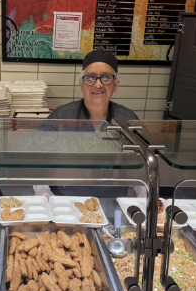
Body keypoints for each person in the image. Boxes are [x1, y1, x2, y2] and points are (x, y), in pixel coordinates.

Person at [34, 50, 138, 199]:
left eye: (106, 78)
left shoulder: (128, 120)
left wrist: (143, 192)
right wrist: (42, 189)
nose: (97, 85)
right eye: (90, 78)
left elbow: (142, 166)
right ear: (81, 84)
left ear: (116, 85)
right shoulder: (60, 118)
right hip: (64, 201)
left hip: (113, 202)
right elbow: (38, 161)